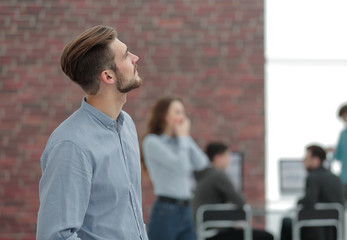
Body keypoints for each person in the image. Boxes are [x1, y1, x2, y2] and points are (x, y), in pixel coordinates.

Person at [37, 25, 148, 240]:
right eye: (126, 56)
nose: (135, 58)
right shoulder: (71, 144)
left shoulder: (127, 125)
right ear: (108, 76)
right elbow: (56, 236)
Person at [142, 96, 209, 240]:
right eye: (177, 112)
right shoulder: (152, 142)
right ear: (164, 116)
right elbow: (182, 167)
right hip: (166, 210)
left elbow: (202, 163)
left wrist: (184, 138)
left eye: (183, 112)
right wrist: (183, 137)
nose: (183, 117)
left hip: (186, 209)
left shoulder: (181, 141)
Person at [193, 142, 274, 240]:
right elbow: (240, 201)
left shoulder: (203, 175)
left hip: (204, 230)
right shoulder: (218, 175)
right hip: (217, 232)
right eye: (227, 156)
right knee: (267, 237)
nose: (229, 160)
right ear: (218, 158)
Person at [280, 145, 344, 240]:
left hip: (315, 229)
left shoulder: (312, 177)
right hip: (334, 231)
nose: (303, 161)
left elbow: (309, 203)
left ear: (315, 160)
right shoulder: (336, 178)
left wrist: (299, 202)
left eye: (306, 158)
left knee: (286, 222)